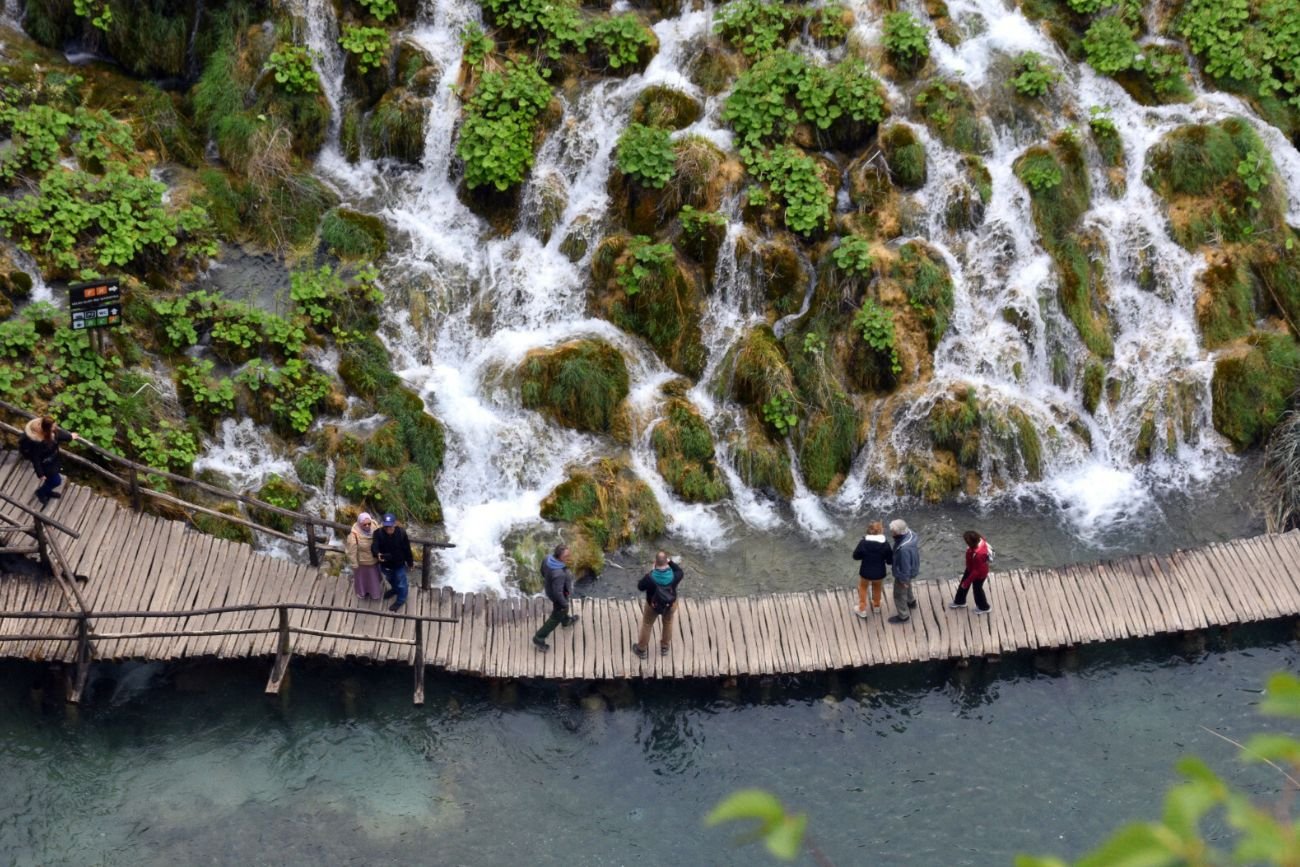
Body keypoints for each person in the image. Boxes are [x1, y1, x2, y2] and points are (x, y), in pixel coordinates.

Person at [20, 415, 82, 507]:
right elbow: (35, 459)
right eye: (53, 426)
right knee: (56, 481)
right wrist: (40, 473)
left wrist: (70, 437)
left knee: (52, 480)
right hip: (46, 465)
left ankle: (46, 490)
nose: (55, 427)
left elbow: (59, 435)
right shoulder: (38, 443)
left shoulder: (52, 433)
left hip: (54, 460)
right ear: (46, 429)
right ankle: (41, 492)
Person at [632, 551, 683, 659]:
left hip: (653, 606)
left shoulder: (650, 578)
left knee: (647, 624)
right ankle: (665, 648)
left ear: (655, 562)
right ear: (667, 562)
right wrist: (671, 563)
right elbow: (680, 571)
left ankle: (641, 649)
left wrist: (651, 570)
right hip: (670, 604)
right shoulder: (675, 575)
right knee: (668, 623)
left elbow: (640, 586)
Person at [533, 544, 579, 652]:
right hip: (559, 596)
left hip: (550, 589)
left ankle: (566, 621)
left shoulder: (547, 558)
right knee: (556, 616)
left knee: (562, 611)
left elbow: (542, 572)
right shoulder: (559, 574)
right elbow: (558, 593)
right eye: (566, 556)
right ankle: (539, 638)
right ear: (560, 557)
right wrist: (564, 602)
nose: (569, 557)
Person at [370, 513, 413, 612]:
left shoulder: (401, 533)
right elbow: (374, 546)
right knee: (390, 579)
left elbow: (407, 548)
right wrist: (377, 554)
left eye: (390, 525)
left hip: (399, 564)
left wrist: (410, 563)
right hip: (385, 564)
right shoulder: (378, 533)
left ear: (395, 524)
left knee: (402, 583)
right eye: (386, 525)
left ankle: (401, 600)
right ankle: (395, 589)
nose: (388, 527)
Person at [851, 521, 892, 619]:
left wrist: (864, 555)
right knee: (877, 588)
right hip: (879, 573)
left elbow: (855, 556)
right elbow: (890, 560)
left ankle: (862, 609)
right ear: (881, 531)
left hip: (865, 572)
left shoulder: (863, 543)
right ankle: (876, 606)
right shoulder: (885, 544)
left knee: (863, 588)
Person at [950, 530, 992, 614]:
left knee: (977, 590)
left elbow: (976, 571)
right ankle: (959, 601)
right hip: (971, 568)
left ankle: (984, 607)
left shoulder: (978, 555)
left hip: (979, 574)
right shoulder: (980, 540)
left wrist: (967, 582)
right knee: (963, 584)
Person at [345, 512, 384, 600]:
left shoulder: (375, 526)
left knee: (373, 579)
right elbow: (351, 551)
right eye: (364, 524)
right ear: (359, 524)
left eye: (368, 524)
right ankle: (362, 593)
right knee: (362, 580)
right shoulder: (354, 535)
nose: (367, 526)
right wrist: (354, 564)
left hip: (374, 560)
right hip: (363, 563)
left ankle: (375, 594)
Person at [888, 518, 920, 624]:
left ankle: (903, 616)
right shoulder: (911, 534)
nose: (891, 533)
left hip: (904, 572)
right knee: (908, 584)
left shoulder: (903, 550)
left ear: (897, 533)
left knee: (898, 593)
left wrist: (903, 581)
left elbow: (905, 567)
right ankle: (911, 602)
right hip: (913, 566)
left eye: (892, 532)